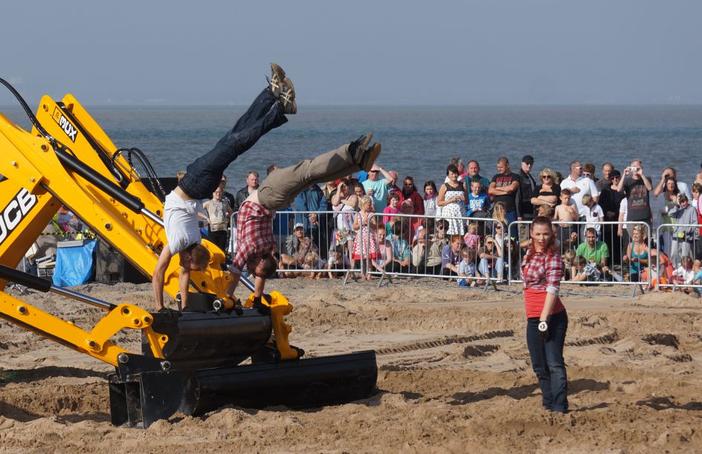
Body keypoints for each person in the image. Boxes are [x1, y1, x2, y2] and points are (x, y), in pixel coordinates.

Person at [153, 63, 296, 311]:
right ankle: (276, 105)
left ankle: (273, 98)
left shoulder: (182, 243)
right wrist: (169, 307)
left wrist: (173, 308)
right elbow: (163, 274)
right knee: (235, 140)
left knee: (236, 139)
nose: (186, 269)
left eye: (189, 266)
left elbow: (163, 274)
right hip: (195, 183)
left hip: (197, 183)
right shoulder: (185, 243)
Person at [231, 134, 382, 300]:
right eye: (252, 269)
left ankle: (357, 160)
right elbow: (246, 271)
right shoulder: (258, 248)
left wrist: (232, 298)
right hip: (269, 197)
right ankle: (354, 155)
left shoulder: (261, 249)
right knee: (308, 171)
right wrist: (237, 297)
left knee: (312, 175)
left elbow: (250, 272)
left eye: (251, 270)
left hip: (274, 198)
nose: (250, 270)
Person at [520, 216, 568, 414]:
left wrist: (544, 319)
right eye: (538, 233)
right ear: (531, 233)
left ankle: (559, 406)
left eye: (545, 234)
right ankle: (548, 402)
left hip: (552, 317)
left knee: (554, 363)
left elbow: (552, 289)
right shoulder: (529, 254)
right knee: (539, 365)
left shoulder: (554, 257)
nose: (541, 237)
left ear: (552, 234)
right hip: (533, 315)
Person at [615, 160, 652, 226]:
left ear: (641, 168)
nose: (636, 169)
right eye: (634, 167)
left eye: (638, 167)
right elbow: (618, 189)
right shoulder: (627, 180)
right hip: (632, 216)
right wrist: (624, 175)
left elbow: (649, 188)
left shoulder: (647, 179)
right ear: (631, 169)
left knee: (646, 236)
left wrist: (641, 174)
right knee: (633, 236)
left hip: (645, 216)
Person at [352, 194, 380, 280]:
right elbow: (354, 226)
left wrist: (369, 223)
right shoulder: (358, 214)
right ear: (363, 204)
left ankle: (369, 273)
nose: (370, 206)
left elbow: (375, 226)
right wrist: (362, 223)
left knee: (369, 257)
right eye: (368, 204)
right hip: (361, 237)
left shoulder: (371, 214)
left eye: (370, 204)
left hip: (369, 237)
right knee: (362, 258)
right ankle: (362, 273)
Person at [488, 157, 521, 226]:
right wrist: (505, 192)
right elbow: (490, 190)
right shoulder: (496, 177)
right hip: (498, 210)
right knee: (497, 230)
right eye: (498, 167)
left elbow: (512, 188)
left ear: (507, 165)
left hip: (510, 210)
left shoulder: (515, 176)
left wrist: (497, 188)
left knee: (512, 232)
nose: (499, 169)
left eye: (501, 167)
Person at [667, 193, 697, 267]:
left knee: (684, 255)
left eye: (684, 201)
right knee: (673, 253)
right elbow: (670, 214)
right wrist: (677, 206)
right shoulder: (678, 208)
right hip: (676, 234)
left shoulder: (692, 209)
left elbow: (695, 223)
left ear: (687, 200)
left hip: (686, 235)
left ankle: (685, 270)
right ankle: (675, 268)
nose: (683, 203)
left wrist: (687, 230)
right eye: (681, 202)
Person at [437, 164, 466, 235]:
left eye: (455, 173)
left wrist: (463, 198)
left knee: (460, 235)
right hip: (449, 214)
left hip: (460, 213)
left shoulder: (463, 185)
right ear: (448, 175)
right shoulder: (444, 186)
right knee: (449, 233)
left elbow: (467, 200)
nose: (454, 175)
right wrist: (450, 200)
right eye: (452, 174)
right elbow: (439, 203)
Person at [203, 184, 234, 252]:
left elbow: (232, 213)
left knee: (221, 249)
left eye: (220, 192)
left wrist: (228, 217)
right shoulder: (208, 203)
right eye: (216, 192)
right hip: (213, 229)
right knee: (213, 249)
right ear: (213, 193)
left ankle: (222, 262)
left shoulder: (225, 203)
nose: (218, 194)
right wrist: (206, 218)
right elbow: (197, 211)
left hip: (223, 229)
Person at [518, 155, 537, 221]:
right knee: (524, 230)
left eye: (531, 164)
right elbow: (518, 197)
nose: (529, 165)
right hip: (524, 211)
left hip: (531, 210)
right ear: (522, 163)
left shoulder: (530, 176)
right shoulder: (519, 177)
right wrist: (519, 214)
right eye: (527, 163)